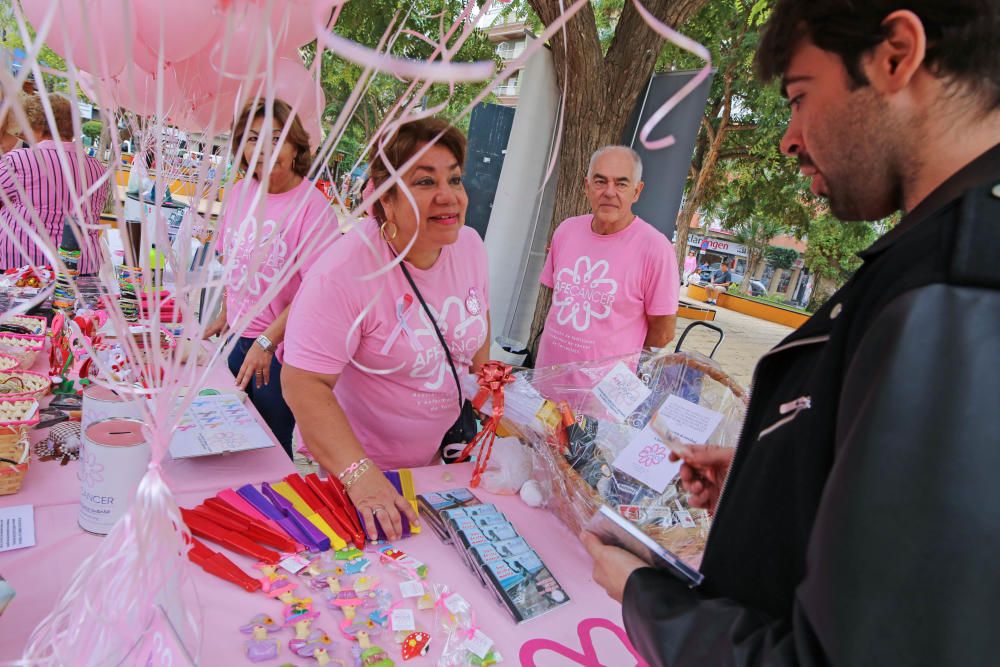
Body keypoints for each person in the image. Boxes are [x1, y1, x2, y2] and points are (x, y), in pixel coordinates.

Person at [582, 2, 1000, 664]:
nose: (789, 137)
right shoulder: (926, 259)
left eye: (801, 96)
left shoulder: (961, 285)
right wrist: (769, 485)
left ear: (896, 55)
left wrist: (646, 597)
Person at [282, 118, 490, 541]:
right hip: (348, 474)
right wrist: (360, 476)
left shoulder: (469, 245)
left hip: (433, 465)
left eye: (454, 178)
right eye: (425, 181)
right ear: (385, 198)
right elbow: (303, 384)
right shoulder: (343, 272)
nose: (448, 196)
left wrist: (496, 407)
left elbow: (477, 326)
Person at [204, 99, 337, 459]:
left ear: (296, 146)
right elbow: (235, 262)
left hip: (279, 354)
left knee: (267, 451)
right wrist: (225, 312)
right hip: (236, 339)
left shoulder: (314, 209)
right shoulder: (239, 193)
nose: (263, 149)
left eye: (276, 137)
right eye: (251, 138)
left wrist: (266, 341)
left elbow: (313, 295)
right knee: (226, 440)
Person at [535, 145, 679, 367]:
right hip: (544, 383)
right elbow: (558, 296)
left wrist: (624, 367)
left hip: (602, 398)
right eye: (600, 181)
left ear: (637, 191)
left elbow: (664, 332)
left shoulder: (656, 249)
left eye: (621, 183)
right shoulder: (566, 231)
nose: (609, 192)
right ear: (587, 186)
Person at [0, 93, 109, 273]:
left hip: (23, 269)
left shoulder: (19, 160)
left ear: (38, 125)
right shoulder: (97, 168)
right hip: (81, 269)